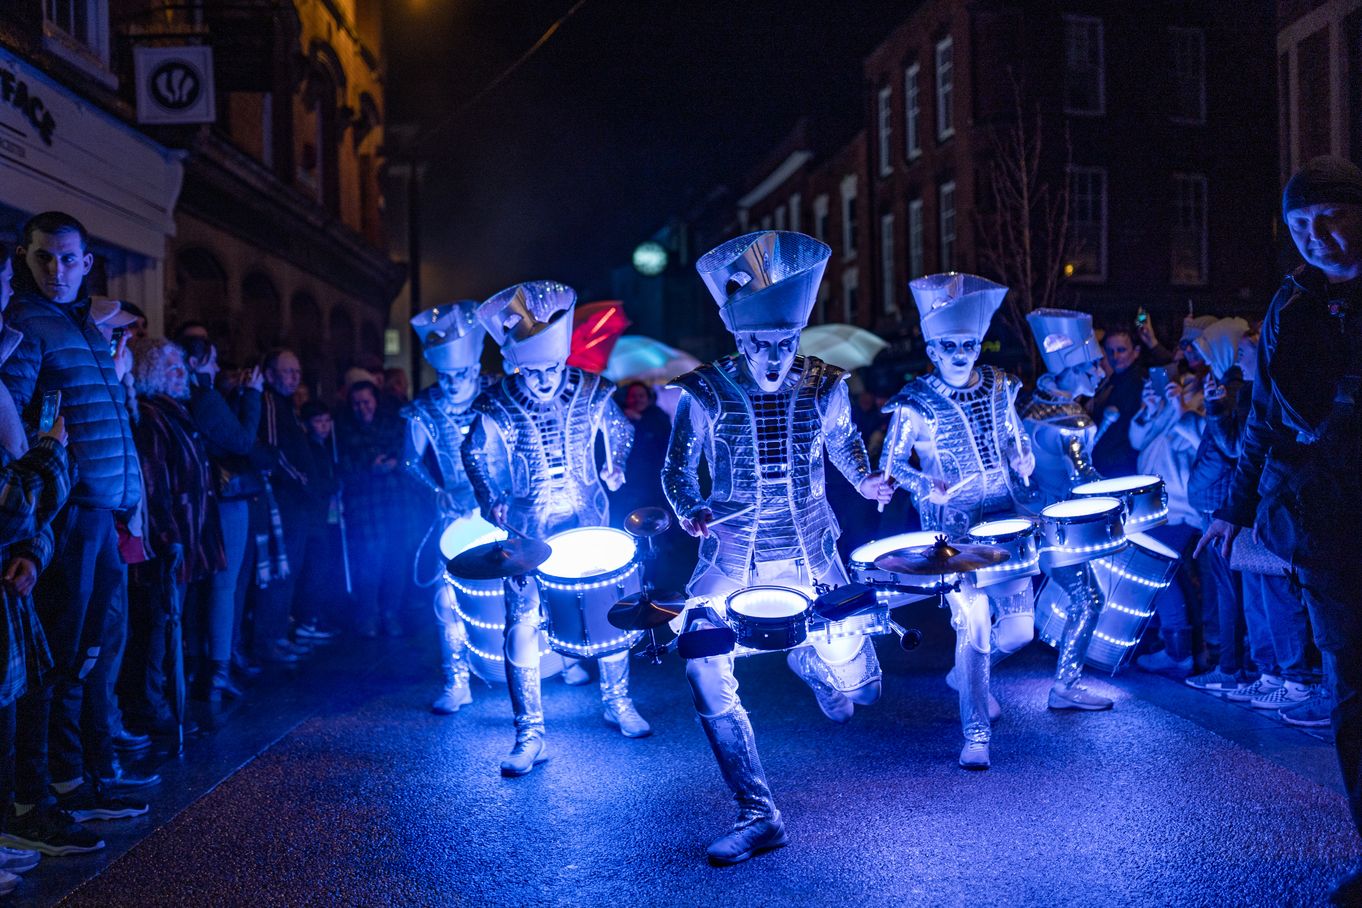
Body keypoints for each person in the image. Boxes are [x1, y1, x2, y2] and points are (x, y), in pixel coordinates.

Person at [662, 231, 892, 864]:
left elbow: (843, 443)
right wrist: (691, 508)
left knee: (861, 693)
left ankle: (817, 663)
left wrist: (866, 477)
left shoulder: (824, 384)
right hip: (731, 558)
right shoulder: (704, 391)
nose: (773, 355)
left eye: (785, 342)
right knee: (702, 662)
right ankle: (758, 813)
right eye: (761, 343)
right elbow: (677, 471)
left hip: (815, 554)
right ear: (739, 336)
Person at [1199, 156, 1362, 906]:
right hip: (1328, 527)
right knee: (1353, 692)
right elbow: (1264, 415)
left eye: (1328, 216)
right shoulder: (1289, 303)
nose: (1316, 235)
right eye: (1300, 224)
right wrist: (1233, 509)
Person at [1, 212, 149, 851]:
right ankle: (42, 791)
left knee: (88, 652)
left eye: (67, 258)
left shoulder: (85, 325)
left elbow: (113, 417)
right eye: (43, 259)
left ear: (87, 260)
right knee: (56, 657)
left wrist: (129, 500)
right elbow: (12, 423)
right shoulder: (28, 324)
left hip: (99, 513)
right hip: (61, 517)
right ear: (25, 257)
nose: (55, 271)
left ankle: (72, 776)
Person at [462, 280, 650, 778]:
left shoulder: (591, 390)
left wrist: (616, 465)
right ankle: (529, 731)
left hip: (588, 518)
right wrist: (490, 496)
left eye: (551, 368)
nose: (544, 380)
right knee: (521, 623)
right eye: (533, 370)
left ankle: (618, 701)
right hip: (527, 531)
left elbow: (621, 429)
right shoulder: (498, 401)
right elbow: (474, 451)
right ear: (516, 364)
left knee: (614, 611)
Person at [878, 272, 1035, 769]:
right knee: (975, 629)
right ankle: (976, 733)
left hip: (1007, 518)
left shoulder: (1000, 385)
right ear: (932, 348)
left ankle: (969, 679)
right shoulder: (916, 402)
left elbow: (1015, 435)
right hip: (956, 531)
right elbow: (891, 463)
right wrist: (926, 484)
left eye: (968, 343)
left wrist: (1023, 455)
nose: (960, 353)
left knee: (1019, 633)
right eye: (949, 345)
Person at [0, 240, 76, 875]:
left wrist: (33, 549)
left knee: (22, 694)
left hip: (11, 565)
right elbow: (14, 491)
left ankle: (23, 811)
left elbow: (23, 510)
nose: (6, 299)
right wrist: (53, 452)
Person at [124, 338, 225, 735]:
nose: (182, 372)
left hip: (189, 531)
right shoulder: (152, 415)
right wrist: (167, 533)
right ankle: (151, 707)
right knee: (158, 624)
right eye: (170, 367)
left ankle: (163, 701)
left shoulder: (176, 412)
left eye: (181, 365)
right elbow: (154, 480)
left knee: (169, 622)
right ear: (150, 372)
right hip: (170, 537)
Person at [1022, 308, 1114, 710]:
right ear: (1072, 368)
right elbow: (1084, 479)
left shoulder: (1034, 407)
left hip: (1035, 521)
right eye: (1093, 364)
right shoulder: (1069, 422)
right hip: (1057, 527)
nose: (1101, 372)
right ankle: (1065, 687)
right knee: (1089, 600)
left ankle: (971, 671)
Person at [402, 302, 488, 713]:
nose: (452, 384)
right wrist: (437, 489)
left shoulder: (497, 396)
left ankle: (551, 663)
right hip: (452, 511)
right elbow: (409, 459)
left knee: (527, 586)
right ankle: (457, 679)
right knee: (445, 596)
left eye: (460, 375)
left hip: (501, 507)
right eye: (444, 376)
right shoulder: (425, 408)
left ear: (474, 370)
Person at [181, 336, 266, 700]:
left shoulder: (192, 396)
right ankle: (219, 670)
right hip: (225, 499)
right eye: (213, 362)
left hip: (202, 497)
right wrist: (253, 395)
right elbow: (243, 441)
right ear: (198, 363)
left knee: (209, 586)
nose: (218, 369)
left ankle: (205, 664)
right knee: (224, 586)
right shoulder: (204, 396)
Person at [253, 348, 322, 662]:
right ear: (269, 375)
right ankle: (269, 640)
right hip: (285, 501)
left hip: (297, 502)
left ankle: (279, 633)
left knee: (290, 572)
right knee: (280, 573)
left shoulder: (288, 405)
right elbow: (273, 450)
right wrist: (303, 480)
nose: (294, 378)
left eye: (297, 372)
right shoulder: (269, 403)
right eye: (287, 371)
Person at [338, 381, 410, 638]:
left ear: (376, 401)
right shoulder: (343, 430)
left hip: (393, 504)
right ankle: (367, 616)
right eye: (357, 403)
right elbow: (343, 467)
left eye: (366, 402)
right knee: (368, 565)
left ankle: (390, 615)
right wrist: (370, 467)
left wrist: (392, 463)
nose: (362, 408)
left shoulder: (391, 424)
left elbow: (406, 456)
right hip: (363, 507)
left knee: (395, 562)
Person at [1090, 325, 1145, 476]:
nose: (1115, 356)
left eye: (1121, 350)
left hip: (1121, 468)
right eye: (1110, 351)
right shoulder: (1113, 381)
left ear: (1136, 352)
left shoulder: (1139, 384)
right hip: (1109, 464)